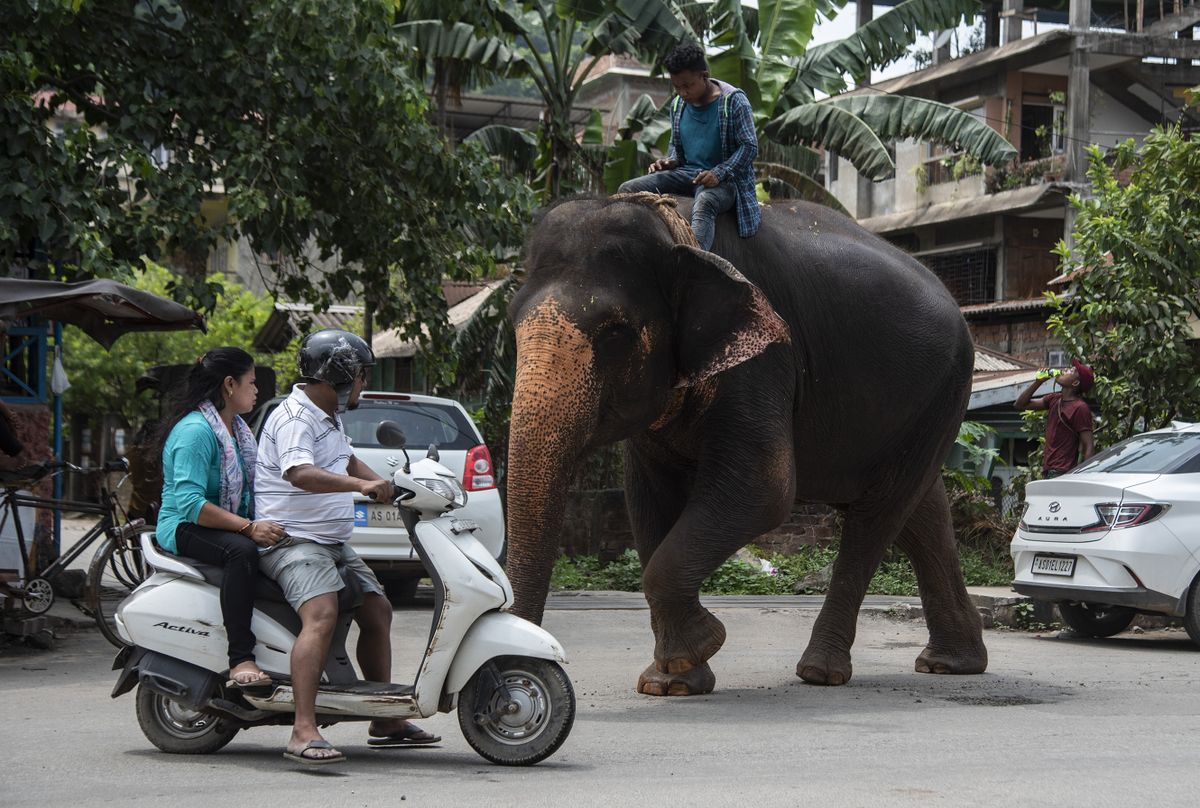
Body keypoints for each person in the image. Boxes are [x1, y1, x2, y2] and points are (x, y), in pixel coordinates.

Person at [254, 329, 438, 765]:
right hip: (295, 540)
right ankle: (302, 729)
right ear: (337, 374)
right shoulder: (296, 418)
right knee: (320, 616)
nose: (362, 384)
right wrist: (362, 485)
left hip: (331, 542)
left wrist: (389, 485)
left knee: (378, 610)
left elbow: (345, 457)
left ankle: (385, 721)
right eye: (359, 375)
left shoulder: (327, 413)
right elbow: (299, 472)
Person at [155, 348, 285, 687]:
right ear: (230, 384)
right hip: (185, 526)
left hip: (220, 520)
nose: (257, 390)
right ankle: (240, 658)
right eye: (252, 382)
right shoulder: (195, 432)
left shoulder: (238, 430)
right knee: (241, 551)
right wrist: (248, 527)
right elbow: (190, 505)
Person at [616, 41, 760, 251]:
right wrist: (670, 161)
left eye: (687, 85)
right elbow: (677, 147)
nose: (682, 92)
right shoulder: (678, 105)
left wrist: (719, 173)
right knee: (627, 189)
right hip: (687, 175)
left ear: (704, 75)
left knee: (704, 203)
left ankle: (694, 260)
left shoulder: (733, 101)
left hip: (725, 183)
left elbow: (749, 147)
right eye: (677, 87)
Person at [1014, 357, 1096, 477]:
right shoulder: (1054, 399)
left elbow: (1088, 445)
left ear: (1075, 383)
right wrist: (1038, 382)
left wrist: (1084, 477)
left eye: (1071, 371)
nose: (1065, 370)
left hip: (1063, 472)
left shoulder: (1080, 408)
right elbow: (1020, 404)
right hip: (1049, 471)